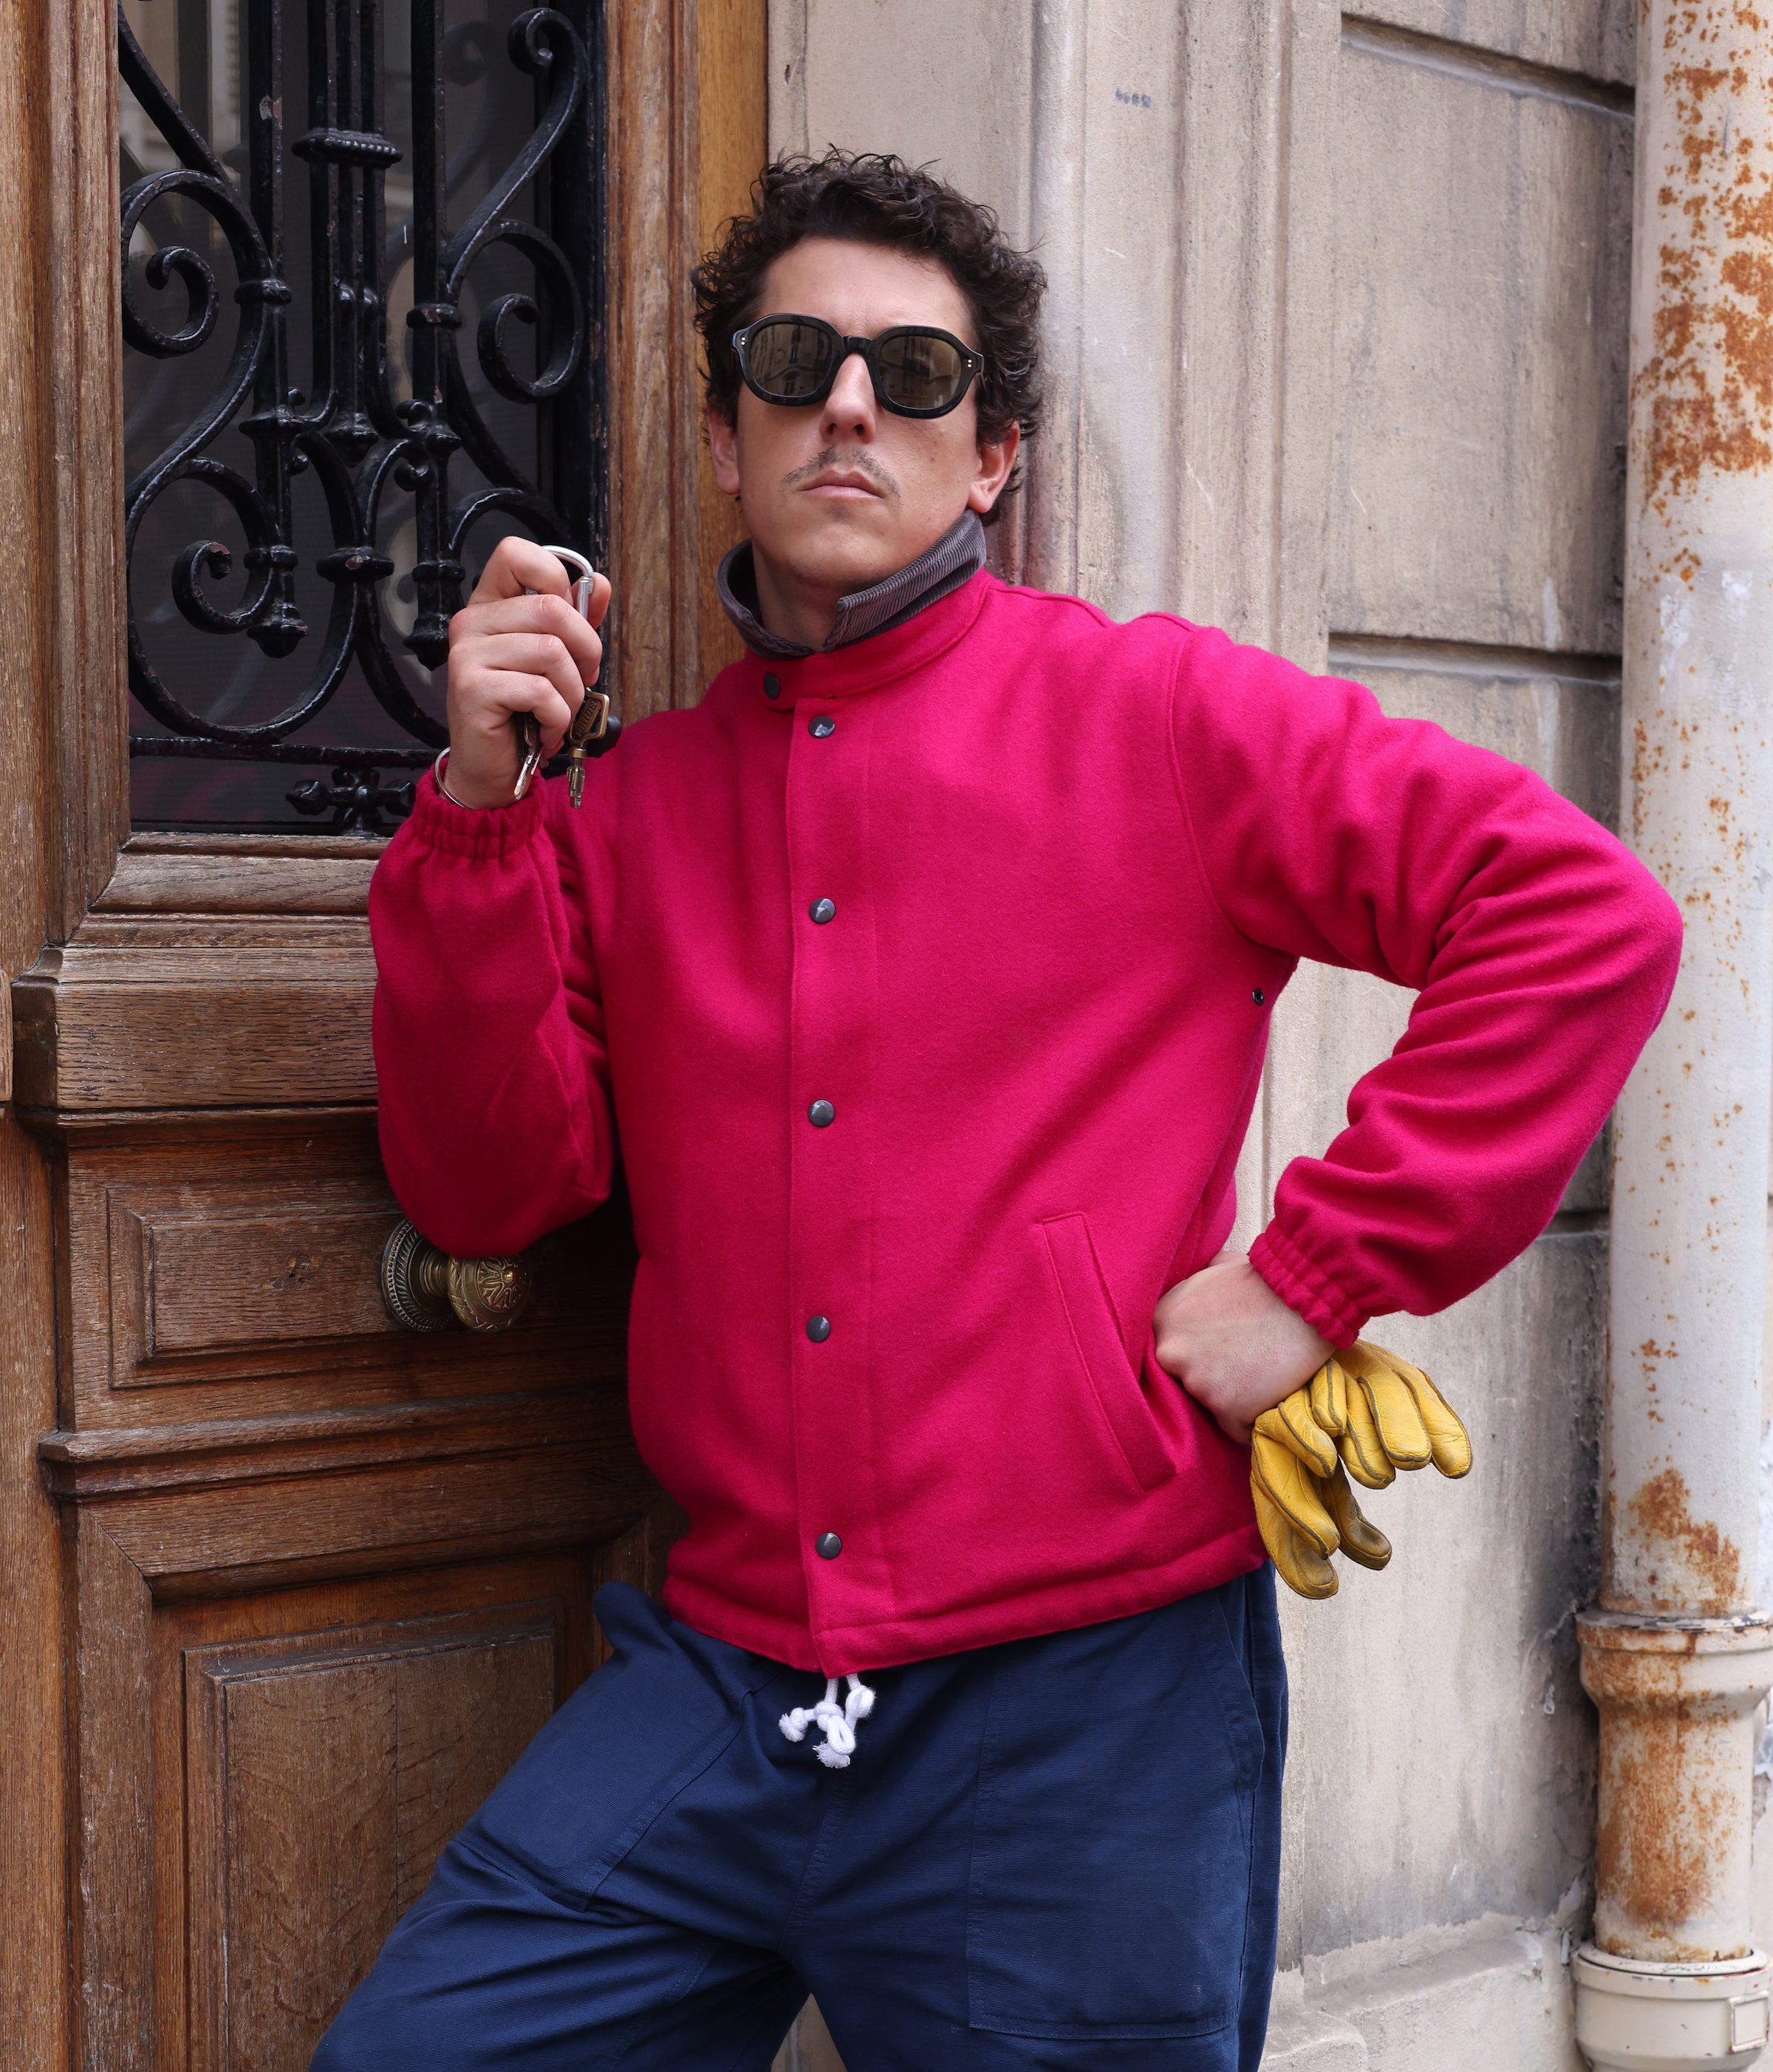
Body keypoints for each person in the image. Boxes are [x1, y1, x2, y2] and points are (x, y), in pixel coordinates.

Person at [314, 150, 1681, 2071]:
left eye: (916, 374)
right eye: (796, 362)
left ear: (995, 456)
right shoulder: (625, 811)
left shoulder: (1164, 719)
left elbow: (1579, 915)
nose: (850, 402)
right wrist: (475, 811)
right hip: (725, 1681)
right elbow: (484, 1183)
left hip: (1088, 1707)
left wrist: (1318, 1272)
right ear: (727, 437)